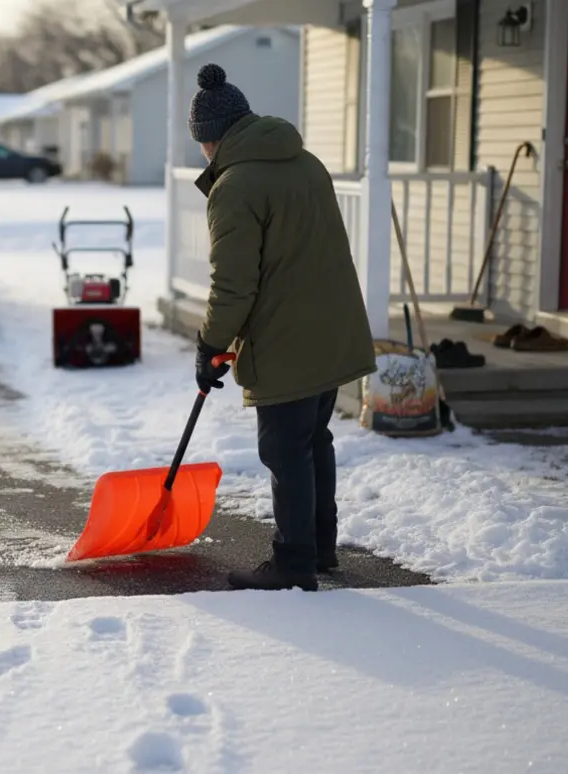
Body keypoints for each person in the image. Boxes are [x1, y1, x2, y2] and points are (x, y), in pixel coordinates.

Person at [186, 62, 376, 592]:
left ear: (210, 138)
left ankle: (293, 563)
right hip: (332, 324)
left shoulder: (236, 184)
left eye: (201, 144)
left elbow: (234, 283)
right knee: (313, 437)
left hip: (289, 335)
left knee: (283, 448)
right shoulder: (304, 161)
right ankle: (319, 548)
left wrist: (210, 344)